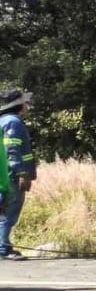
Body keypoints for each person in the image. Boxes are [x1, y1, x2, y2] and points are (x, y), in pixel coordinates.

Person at [0, 88, 36, 260]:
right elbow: (12, 150)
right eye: (25, 102)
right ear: (19, 105)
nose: (27, 105)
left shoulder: (4, 121)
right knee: (8, 212)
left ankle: (3, 245)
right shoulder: (13, 122)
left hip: (4, 174)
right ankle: (3, 249)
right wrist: (22, 173)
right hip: (10, 176)